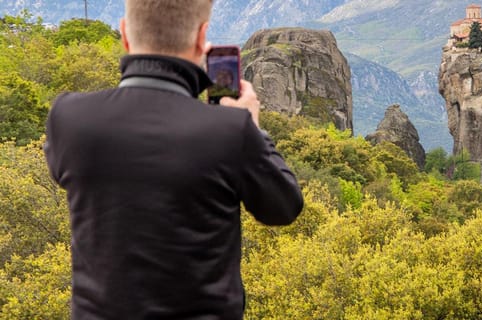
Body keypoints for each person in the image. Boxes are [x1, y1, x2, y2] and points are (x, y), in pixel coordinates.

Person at [43, 0, 304, 318]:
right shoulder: (230, 130)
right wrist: (253, 128)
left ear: (125, 34)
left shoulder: (69, 118)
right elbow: (283, 208)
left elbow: (66, 173)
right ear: (202, 38)